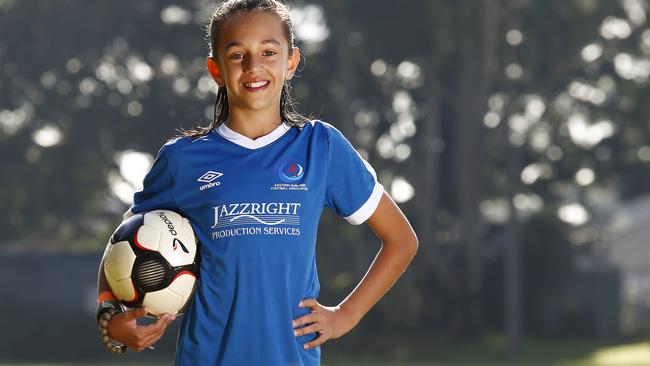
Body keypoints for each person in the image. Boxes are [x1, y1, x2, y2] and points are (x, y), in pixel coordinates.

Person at [95, 0, 418, 364]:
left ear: (291, 62)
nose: (253, 67)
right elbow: (122, 245)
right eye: (237, 55)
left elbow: (401, 240)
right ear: (215, 69)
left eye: (268, 51)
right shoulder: (182, 159)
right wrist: (111, 319)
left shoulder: (320, 147)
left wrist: (347, 314)